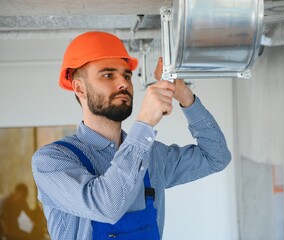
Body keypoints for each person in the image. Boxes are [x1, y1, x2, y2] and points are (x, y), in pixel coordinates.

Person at [32, 31, 231, 239]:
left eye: (126, 75)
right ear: (80, 88)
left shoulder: (152, 155)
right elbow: (107, 206)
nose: (123, 83)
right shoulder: (51, 161)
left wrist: (185, 96)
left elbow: (216, 157)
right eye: (108, 75)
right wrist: (144, 123)